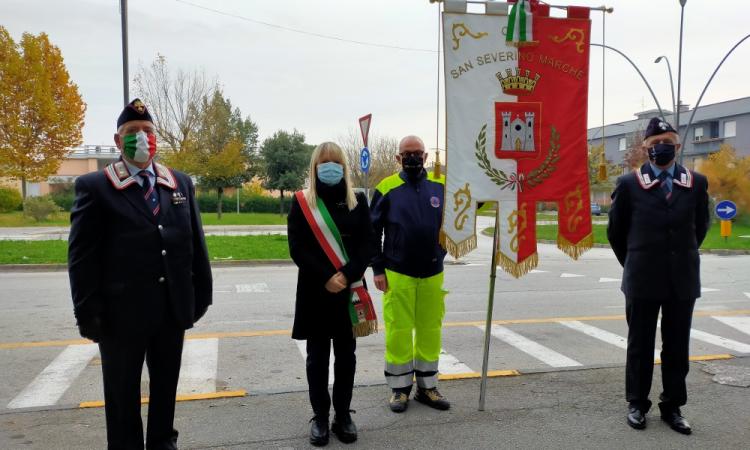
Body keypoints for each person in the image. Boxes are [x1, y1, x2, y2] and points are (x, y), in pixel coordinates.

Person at [67, 98, 213, 450]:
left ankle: (163, 441)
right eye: (132, 132)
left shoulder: (179, 182)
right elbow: (81, 258)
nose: (141, 137)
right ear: (118, 142)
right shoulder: (95, 186)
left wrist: (200, 296)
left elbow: (194, 242)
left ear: (157, 139)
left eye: (147, 131)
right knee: (121, 396)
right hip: (120, 317)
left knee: (166, 388)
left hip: (170, 310)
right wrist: (89, 314)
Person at [607, 117, 710, 435]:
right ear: (645, 148)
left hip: (682, 278)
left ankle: (673, 406)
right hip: (642, 278)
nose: (661, 148)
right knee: (640, 344)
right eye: (654, 144)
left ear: (678, 147)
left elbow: (700, 227)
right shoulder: (629, 184)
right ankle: (637, 403)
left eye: (668, 143)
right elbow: (616, 233)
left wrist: (680, 257)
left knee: (677, 346)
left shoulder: (696, 182)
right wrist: (636, 263)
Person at [287, 142, 376, 446]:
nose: (329, 167)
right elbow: (297, 248)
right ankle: (320, 416)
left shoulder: (358, 201)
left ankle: (343, 415)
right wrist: (326, 276)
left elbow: (368, 245)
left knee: (346, 357)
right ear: (314, 167)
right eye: (324, 162)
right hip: (316, 291)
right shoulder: (302, 203)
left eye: (335, 162)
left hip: (348, 291)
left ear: (344, 167)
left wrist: (347, 274)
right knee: (317, 358)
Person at [370, 135, 450, 413]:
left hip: (432, 271)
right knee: (398, 331)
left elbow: (464, 216)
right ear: (398, 158)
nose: (413, 157)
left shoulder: (442, 186)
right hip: (397, 272)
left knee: (430, 330)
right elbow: (372, 232)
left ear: (426, 156)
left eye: (417, 153)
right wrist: (378, 268)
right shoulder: (386, 188)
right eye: (407, 153)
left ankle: (427, 388)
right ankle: (399, 389)